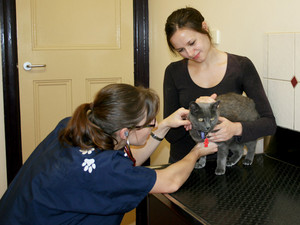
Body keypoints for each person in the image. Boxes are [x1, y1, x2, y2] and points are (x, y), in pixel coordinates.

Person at [0, 83, 218, 225]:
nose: (154, 124)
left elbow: (128, 162)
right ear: (125, 132)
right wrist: (197, 151)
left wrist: (163, 126)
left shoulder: (74, 126)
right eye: (150, 123)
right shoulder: (103, 168)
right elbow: (170, 182)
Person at [163, 7, 276, 163]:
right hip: (184, 166)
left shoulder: (241, 66)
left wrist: (235, 129)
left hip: (227, 166)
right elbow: (170, 135)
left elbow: (269, 124)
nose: (189, 53)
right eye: (181, 49)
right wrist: (192, 116)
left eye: (192, 42)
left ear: (204, 27)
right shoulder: (173, 72)